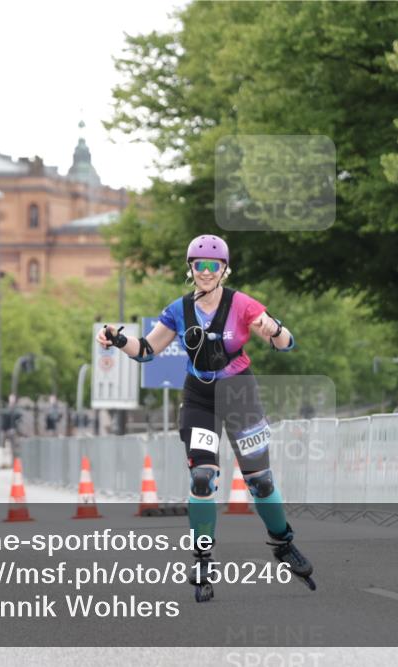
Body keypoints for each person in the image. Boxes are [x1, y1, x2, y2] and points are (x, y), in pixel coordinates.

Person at [96, 234, 314, 601]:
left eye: (214, 266)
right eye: (200, 265)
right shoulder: (179, 309)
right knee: (202, 477)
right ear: (191, 269)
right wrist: (118, 339)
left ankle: (282, 542)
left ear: (225, 270)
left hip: (240, 394)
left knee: (259, 481)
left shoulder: (242, 304)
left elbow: (286, 343)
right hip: (200, 397)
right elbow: (148, 350)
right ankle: (202, 557)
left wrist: (274, 330)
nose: (207, 272)